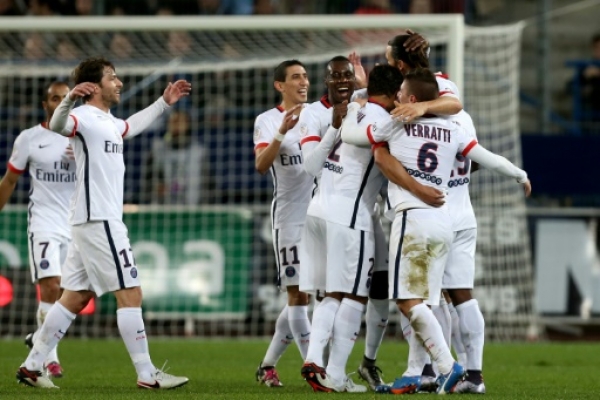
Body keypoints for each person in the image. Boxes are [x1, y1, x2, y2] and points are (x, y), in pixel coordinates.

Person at [341, 67, 531, 395]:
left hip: (414, 220)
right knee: (427, 302)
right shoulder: (454, 128)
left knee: (407, 301)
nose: (396, 98)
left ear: (412, 99)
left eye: (401, 94)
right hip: (445, 222)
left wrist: (356, 108)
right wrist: (520, 174)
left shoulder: (397, 124)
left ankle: (447, 367)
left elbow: (352, 137)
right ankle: (442, 369)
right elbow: (489, 158)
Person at [15, 57, 191, 389]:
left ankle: (32, 365)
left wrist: (163, 103)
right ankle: (146, 373)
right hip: (100, 220)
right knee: (131, 292)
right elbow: (56, 125)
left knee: (75, 298)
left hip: (88, 221)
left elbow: (131, 126)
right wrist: (69, 99)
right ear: (94, 87)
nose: (119, 82)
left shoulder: (108, 121)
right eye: (112, 77)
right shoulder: (81, 117)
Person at [0, 81, 73, 379]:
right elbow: (9, 181)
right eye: (54, 99)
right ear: (46, 105)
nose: (59, 103)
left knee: (72, 295)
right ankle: (48, 357)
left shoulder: (82, 139)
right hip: (43, 223)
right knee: (50, 285)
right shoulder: (30, 138)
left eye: (65, 99)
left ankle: (38, 340)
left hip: (76, 225)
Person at [252, 59, 313, 387]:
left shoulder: (318, 115)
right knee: (297, 294)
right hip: (289, 219)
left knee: (305, 297)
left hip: (320, 218)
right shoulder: (267, 120)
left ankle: (267, 366)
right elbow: (261, 165)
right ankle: (315, 369)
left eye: (305, 76)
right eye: (295, 77)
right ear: (280, 85)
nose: (303, 81)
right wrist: (281, 133)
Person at [141, 109, 213, 205]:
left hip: (193, 210)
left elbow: (209, 186)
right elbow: (148, 183)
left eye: (181, 120)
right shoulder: (157, 151)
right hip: (163, 210)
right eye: (173, 120)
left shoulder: (199, 152)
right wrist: (157, 187)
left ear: (188, 124)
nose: (176, 124)